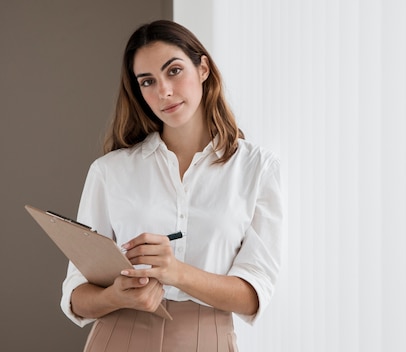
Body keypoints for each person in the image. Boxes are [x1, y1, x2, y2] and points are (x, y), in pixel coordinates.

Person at [60, 20, 283, 351]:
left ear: (203, 68)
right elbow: (76, 296)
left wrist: (176, 272)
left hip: (207, 337)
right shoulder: (110, 171)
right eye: (147, 81)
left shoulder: (256, 168)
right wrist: (113, 295)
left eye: (174, 71)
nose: (163, 90)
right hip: (118, 334)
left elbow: (254, 295)